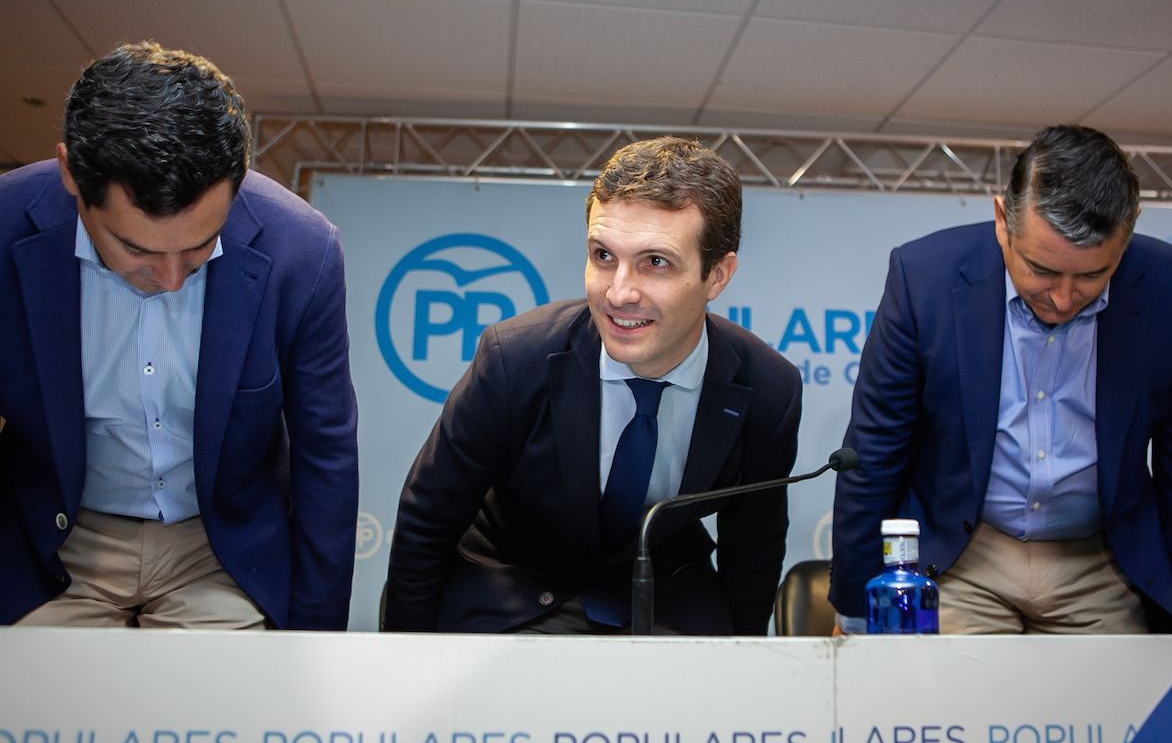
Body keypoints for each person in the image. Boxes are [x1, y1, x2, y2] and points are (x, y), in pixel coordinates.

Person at [0, 42, 359, 629]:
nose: (169, 279)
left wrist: (314, 638)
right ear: (72, 175)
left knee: (220, 715)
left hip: (220, 550)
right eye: (135, 249)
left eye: (199, 246)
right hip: (51, 542)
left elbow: (327, 452)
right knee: (43, 714)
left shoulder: (302, 251)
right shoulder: (7, 226)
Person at [384, 136, 802, 635]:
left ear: (717, 275)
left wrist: (744, 679)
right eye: (603, 255)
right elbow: (426, 521)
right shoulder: (515, 359)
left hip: (664, 593)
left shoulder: (767, 388)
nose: (619, 293)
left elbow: (752, 551)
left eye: (656, 262)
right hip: (510, 584)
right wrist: (404, 663)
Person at [831, 125, 1172, 634]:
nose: (1063, 298)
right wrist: (857, 610)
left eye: (1090, 276)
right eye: (1041, 270)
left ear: (1128, 232)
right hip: (963, 558)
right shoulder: (924, 278)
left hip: (1101, 564)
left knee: (1114, 711)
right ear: (1002, 221)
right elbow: (875, 452)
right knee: (953, 707)